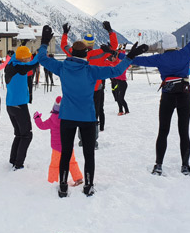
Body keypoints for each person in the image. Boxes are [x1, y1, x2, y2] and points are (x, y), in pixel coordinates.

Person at [37, 25, 144, 197]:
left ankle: (63, 185)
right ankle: (88, 185)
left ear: (71, 53)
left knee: (65, 152)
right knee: (88, 153)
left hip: (67, 116)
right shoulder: (91, 70)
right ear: (86, 54)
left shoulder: (62, 68)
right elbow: (116, 70)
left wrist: (44, 42)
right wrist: (129, 56)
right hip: (87, 117)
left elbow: (41, 58)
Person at [130, 2, 190, 176]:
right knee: (183, 131)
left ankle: (158, 165)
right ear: (176, 43)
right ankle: (185, 165)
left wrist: (120, 54)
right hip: (184, 95)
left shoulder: (158, 59)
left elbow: (135, 61)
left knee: (163, 130)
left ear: (164, 45)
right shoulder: (185, 53)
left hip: (167, 96)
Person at [60, 21, 118, 132]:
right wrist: (110, 32)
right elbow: (114, 46)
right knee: (95, 112)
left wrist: (65, 33)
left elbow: (64, 46)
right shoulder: (99, 53)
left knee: (80, 111)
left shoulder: (74, 53)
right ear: (92, 44)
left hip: (80, 88)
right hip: (96, 88)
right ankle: (93, 135)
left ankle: (81, 135)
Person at [4, 45, 40, 170]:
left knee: (19, 134)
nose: (28, 59)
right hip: (19, 105)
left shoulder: (11, 64)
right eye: (27, 58)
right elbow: (34, 63)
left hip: (11, 105)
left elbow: (23, 59)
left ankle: (13, 160)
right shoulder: (19, 67)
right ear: (23, 58)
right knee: (27, 135)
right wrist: (41, 52)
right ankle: (18, 164)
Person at [34, 96, 84, 186]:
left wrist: (37, 118)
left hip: (56, 147)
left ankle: (53, 181)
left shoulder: (52, 119)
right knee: (72, 162)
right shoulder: (69, 118)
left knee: (55, 165)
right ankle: (78, 178)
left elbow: (42, 126)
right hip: (68, 145)